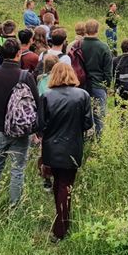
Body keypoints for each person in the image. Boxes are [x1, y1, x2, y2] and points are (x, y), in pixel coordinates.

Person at [0, 38, 42, 207]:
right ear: (18, 53)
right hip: (21, 131)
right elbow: (36, 104)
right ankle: (15, 206)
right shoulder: (26, 76)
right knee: (17, 170)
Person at [40, 62, 94, 241]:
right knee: (65, 185)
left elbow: (40, 125)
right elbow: (88, 123)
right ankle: (61, 227)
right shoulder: (83, 95)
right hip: (72, 147)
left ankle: (60, 223)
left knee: (59, 184)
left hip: (51, 148)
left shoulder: (47, 96)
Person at [80, 19, 113, 137]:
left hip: (81, 85)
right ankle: (98, 140)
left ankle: (83, 138)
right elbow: (108, 71)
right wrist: (107, 86)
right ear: (97, 30)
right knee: (99, 115)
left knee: (81, 114)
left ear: (86, 30)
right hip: (98, 85)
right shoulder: (103, 47)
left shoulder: (78, 45)